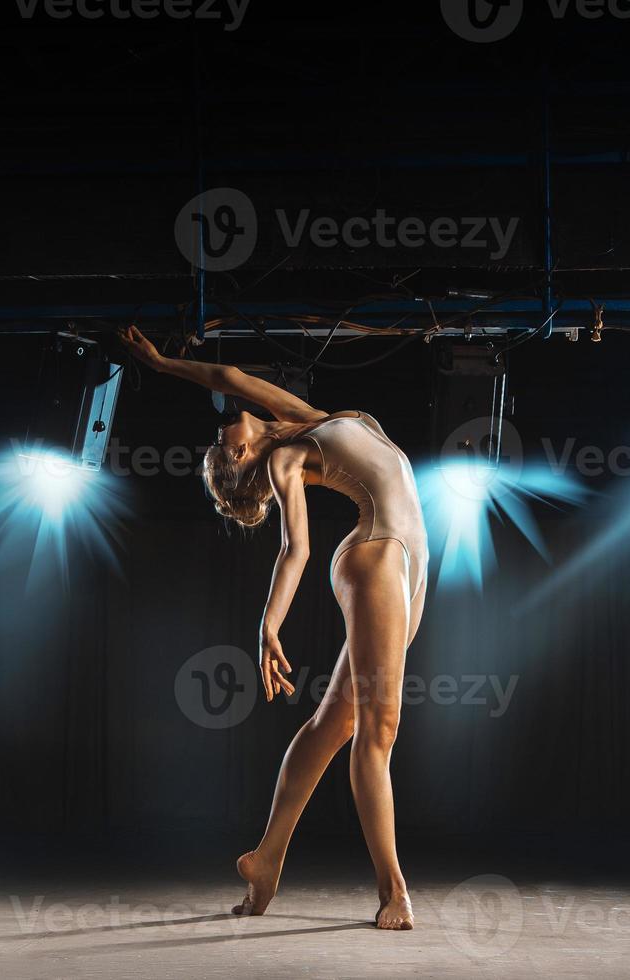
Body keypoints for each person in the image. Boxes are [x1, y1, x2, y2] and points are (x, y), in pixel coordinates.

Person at [118, 326, 428, 930]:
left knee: (333, 723)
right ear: (240, 456)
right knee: (379, 727)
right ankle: (394, 890)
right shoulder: (287, 457)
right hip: (376, 555)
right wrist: (270, 625)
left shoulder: (305, 423)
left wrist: (161, 361)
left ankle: (265, 861)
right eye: (219, 444)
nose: (221, 428)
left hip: (407, 560)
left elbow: (228, 378)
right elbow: (296, 549)